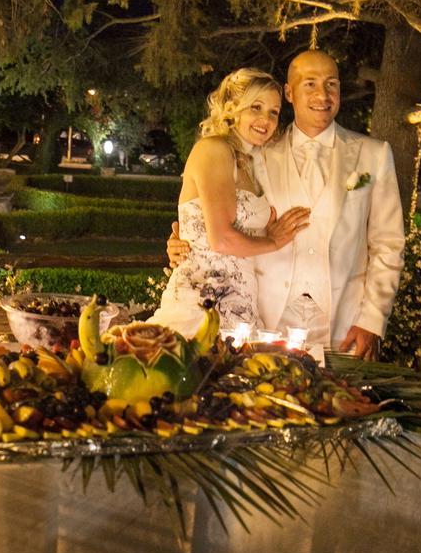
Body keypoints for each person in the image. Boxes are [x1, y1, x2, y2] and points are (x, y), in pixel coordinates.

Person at [168, 50, 405, 361]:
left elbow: (388, 243)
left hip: (342, 324)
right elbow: (216, 214)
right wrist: (185, 241)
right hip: (263, 320)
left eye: (331, 84)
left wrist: (373, 320)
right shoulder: (254, 154)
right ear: (290, 93)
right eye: (310, 84)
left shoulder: (374, 154)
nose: (323, 94)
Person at [149, 69, 310, 337]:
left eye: (273, 111)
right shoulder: (213, 149)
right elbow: (221, 240)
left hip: (241, 304)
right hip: (201, 303)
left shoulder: (250, 162)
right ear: (233, 108)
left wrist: (264, 233)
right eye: (255, 107)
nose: (266, 119)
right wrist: (274, 242)